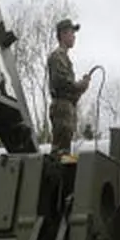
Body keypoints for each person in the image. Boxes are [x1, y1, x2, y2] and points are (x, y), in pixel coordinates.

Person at [46, 18, 90, 154]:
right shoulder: (57, 56)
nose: (74, 37)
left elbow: (70, 91)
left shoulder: (64, 58)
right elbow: (62, 84)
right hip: (62, 108)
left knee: (64, 151)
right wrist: (80, 85)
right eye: (72, 33)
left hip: (67, 108)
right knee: (60, 152)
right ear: (63, 34)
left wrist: (82, 87)